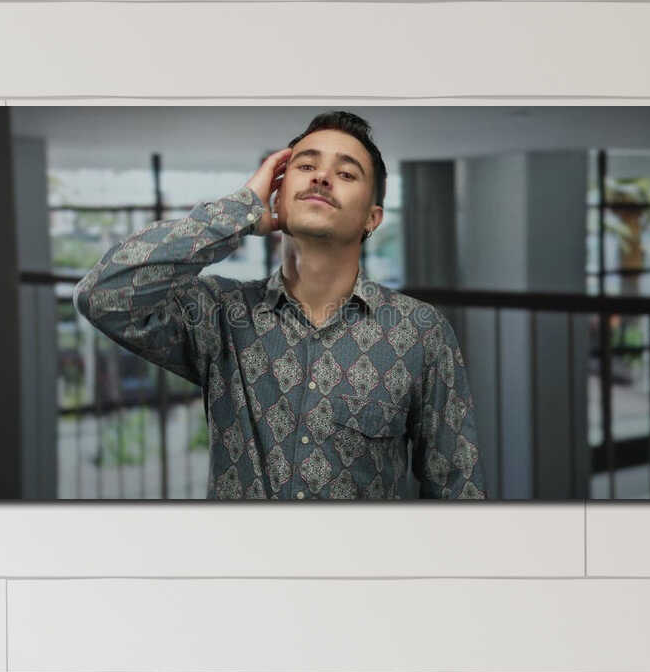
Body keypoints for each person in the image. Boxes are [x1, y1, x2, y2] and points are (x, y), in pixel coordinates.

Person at [73, 110, 484, 500]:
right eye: (305, 167)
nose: (322, 177)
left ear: (372, 219)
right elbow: (103, 295)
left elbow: (457, 486)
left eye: (345, 173)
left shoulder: (419, 331)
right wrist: (240, 211)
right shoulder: (219, 313)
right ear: (278, 194)